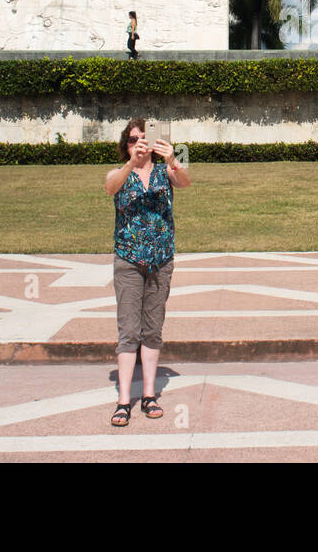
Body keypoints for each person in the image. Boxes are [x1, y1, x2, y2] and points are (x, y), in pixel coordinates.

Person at [103, 119, 190, 427]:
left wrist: (171, 158)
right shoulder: (120, 172)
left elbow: (186, 181)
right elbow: (109, 186)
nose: (138, 143)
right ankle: (124, 400)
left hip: (161, 260)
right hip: (128, 260)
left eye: (143, 138)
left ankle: (150, 394)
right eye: (132, 139)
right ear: (125, 145)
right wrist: (132, 162)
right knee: (128, 332)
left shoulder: (168, 166)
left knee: (153, 329)